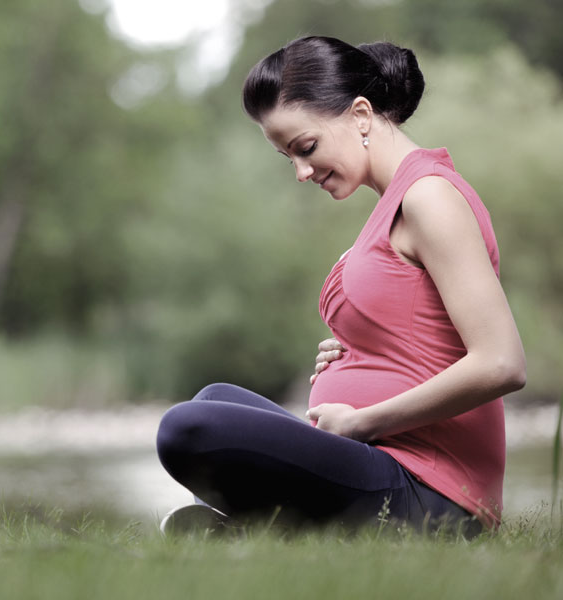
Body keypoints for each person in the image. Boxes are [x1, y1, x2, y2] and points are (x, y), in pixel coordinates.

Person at [156, 36, 526, 537]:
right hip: (380, 458)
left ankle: (255, 531)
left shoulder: (430, 197)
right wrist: (360, 352)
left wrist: (362, 421)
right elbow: (423, 329)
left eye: (305, 148)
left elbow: (501, 363)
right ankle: (260, 533)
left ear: (359, 113)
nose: (302, 172)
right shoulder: (396, 201)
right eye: (288, 157)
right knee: (213, 399)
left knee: (189, 429)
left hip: (430, 489)